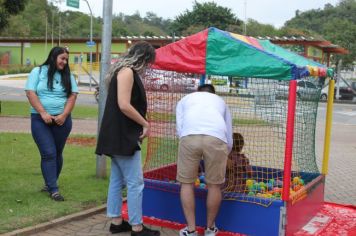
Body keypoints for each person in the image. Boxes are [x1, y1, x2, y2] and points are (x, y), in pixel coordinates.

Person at [95, 41, 160, 236]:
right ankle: (137, 227)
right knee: (135, 183)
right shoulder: (127, 72)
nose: (148, 68)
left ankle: (116, 221)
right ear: (144, 59)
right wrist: (145, 123)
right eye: (149, 63)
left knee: (117, 179)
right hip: (123, 136)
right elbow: (124, 104)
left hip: (117, 134)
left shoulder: (123, 71)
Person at [176, 84, 233, 236]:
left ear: (198, 92)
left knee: (186, 184)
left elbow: (180, 129)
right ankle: (210, 229)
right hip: (216, 138)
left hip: (189, 136)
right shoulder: (221, 101)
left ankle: (191, 230)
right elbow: (229, 133)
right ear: (213, 94)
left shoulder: (185, 99)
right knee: (214, 186)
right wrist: (225, 152)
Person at [25, 46, 78, 201]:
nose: (64, 62)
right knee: (48, 153)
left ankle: (49, 184)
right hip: (40, 120)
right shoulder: (38, 72)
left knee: (57, 153)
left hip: (62, 121)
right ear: (53, 56)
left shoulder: (68, 75)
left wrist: (64, 115)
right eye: (62, 58)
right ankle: (54, 189)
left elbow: (73, 96)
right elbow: (30, 92)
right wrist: (43, 113)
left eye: (66, 59)